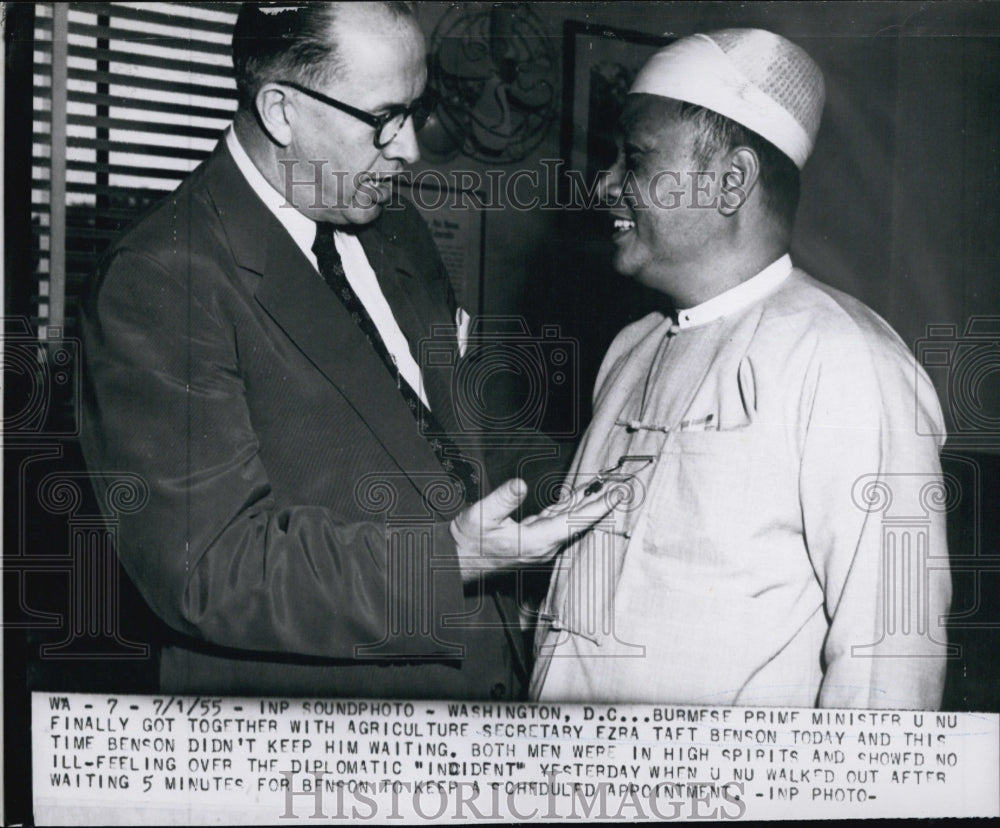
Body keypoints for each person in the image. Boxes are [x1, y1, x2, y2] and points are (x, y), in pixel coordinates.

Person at [79, 1, 608, 699]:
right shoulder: (162, 276)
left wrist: (587, 483)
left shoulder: (394, 226)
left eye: (418, 111)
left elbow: (457, 433)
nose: (411, 149)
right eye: (385, 118)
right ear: (280, 110)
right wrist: (449, 561)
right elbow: (209, 570)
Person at [530, 28, 952, 708]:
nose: (604, 183)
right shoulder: (630, 349)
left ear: (731, 181)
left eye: (633, 159)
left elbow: (889, 664)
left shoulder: (847, 360)